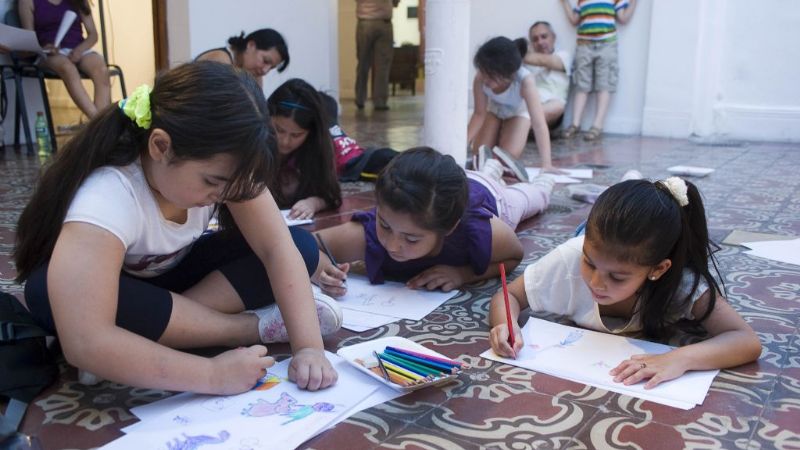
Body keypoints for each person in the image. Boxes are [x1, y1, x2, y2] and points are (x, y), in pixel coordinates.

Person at [14, 61, 341, 395]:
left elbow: (277, 248)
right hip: (125, 293)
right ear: (160, 146)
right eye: (213, 182)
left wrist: (309, 348)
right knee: (46, 294)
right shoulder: (108, 195)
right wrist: (211, 375)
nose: (224, 195)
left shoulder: (228, 168)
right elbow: (85, 341)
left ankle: (157, 335)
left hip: (171, 285)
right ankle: (247, 328)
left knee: (299, 245)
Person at [488, 178, 761, 389]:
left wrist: (680, 359)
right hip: (587, 236)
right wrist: (505, 326)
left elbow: (746, 340)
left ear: (657, 270)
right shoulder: (570, 259)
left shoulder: (682, 284)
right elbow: (508, 295)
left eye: (617, 277)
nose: (596, 282)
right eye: (590, 264)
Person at [312, 147, 554, 297]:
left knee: (532, 197)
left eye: (411, 238)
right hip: (452, 189)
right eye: (384, 225)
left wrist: (464, 274)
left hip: (492, 197)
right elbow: (307, 244)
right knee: (484, 175)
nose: (392, 245)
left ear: (449, 228)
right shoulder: (371, 233)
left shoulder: (480, 228)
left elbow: (513, 257)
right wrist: (322, 270)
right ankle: (490, 165)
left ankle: (544, 181)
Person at [467, 36, 557, 182]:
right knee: (480, 154)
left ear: (509, 75)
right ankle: (495, 134)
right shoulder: (481, 77)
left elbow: (538, 123)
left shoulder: (525, 80)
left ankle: (504, 137)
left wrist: (547, 164)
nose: (485, 79)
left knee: (507, 157)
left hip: (518, 112)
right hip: (495, 110)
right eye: (483, 72)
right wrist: (463, 143)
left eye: (491, 76)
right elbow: (479, 114)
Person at [18, 0, 111, 119]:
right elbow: (28, 40)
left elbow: (93, 34)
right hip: (48, 53)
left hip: (78, 48)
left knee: (101, 70)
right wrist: (43, 48)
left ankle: (99, 126)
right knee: (67, 68)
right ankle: (97, 123)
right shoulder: (27, 2)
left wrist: (79, 51)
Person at [560, 0, 637, 141]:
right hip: (584, 44)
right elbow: (574, 19)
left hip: (607, 44)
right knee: (581, 83)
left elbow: (623, 18)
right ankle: (575, 124)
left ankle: (597, 125)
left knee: (605, 82)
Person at [267, 79, 342, 220]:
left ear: (311, 133)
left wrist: (313, 203)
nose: (285, 141)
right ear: (268, 117)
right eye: (279, 129)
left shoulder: (318, 148)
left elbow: (331, 194)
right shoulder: (254, 142)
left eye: (296, 135)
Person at [317, 90, 398, 182]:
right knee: (394, 168)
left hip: (365, 157)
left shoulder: (330, 129)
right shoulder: (321, 136)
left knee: (396, 158)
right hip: (358, 166)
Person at [521, 21, 572, 129]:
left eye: (544, 37)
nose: (540, 42)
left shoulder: (564, 56)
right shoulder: (528, 65)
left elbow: (543, 60)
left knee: (558, 107)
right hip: (527, 106)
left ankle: (514, 128)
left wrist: (513, 55)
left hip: (549, 110)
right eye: (535, 39)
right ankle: (517, 128)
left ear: (553, 37)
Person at [195, 28, 289, 87]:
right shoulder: (220, 60)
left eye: (271, 68)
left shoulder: (254, 75)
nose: (265, 71)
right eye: (265, 61)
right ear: (251, 45)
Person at [354, 0, 399, 111]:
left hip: (365, 21)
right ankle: (380, 101)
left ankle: (360, 99)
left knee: (363, 64)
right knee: (382, 66)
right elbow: (396, 2)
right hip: (384, 23)